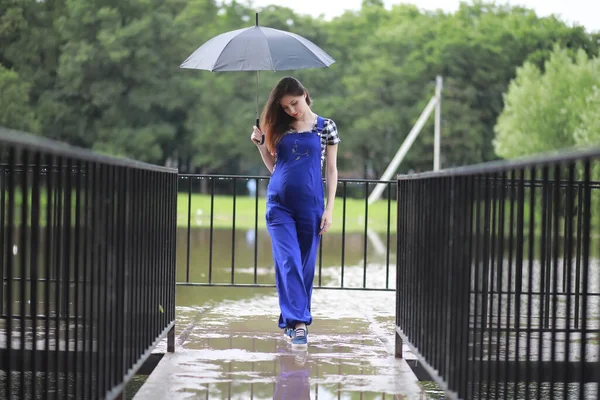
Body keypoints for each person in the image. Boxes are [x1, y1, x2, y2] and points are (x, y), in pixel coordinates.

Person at [250, 76, 340, 348]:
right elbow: (274, 166)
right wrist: (261, 145)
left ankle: (290, 321)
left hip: (311, 207)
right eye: (286, 107)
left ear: (304, 94)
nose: (291, 110)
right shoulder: (280, 127)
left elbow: (332, 170)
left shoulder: (327, 127)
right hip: (279, 205)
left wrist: (330, 209)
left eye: (294, 103)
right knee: (288, 261)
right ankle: (300, 325)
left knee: (304, 267)